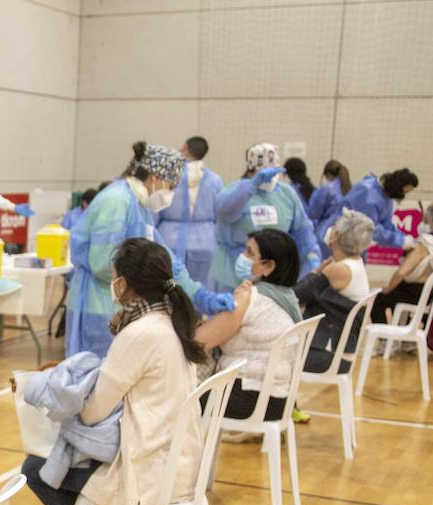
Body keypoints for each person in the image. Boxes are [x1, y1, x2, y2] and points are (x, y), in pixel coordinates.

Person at [21, 238, 207, 505]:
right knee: (63, 462)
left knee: (37, 468)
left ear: (123, 284)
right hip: (176, 457)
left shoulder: (140, 334)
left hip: (151, 469)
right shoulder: (169, 321)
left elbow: (92, 412)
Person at [67, 141, 233, 357]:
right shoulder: (116, 201)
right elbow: (102, 263)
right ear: (156, 178)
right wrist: (152, 281)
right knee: (99, 377)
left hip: (121, 303)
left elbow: (164, 258)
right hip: (99, 306)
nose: (170, 194)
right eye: (171, 187)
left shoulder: (139, 206)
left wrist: (198, 294)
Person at [197, 230, 303, 422]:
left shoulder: (250, 297)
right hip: (279, 400)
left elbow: (201, 341)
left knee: (180, 399)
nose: (242, 257)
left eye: (249, 253)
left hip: (249, 397)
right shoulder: (288, 297)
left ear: (268, 266)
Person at [209, 143, 320, 292]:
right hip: (233, 272)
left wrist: (312, 257)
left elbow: (302, 230)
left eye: (274, 162)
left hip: (273, 275)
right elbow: (225, 212)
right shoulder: (235, 190)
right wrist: (252, 186)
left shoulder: (287, 194)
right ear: (252, 164)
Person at [297, 209, 374, 374]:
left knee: (270, 354)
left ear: (336, 236)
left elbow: (297, 294)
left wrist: (315, 271)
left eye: (334, 226)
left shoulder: (338, 269)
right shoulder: (355, 263)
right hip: (339, 351)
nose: (330, 228)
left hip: (331, 355)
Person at [372, 203, 433, 326]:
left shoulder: (426, 243)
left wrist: (388, 288)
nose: (423, 223)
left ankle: (385, 338)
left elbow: (402, 272)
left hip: (416, 291)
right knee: (397, 293)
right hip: (431, 292)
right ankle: (402, 338)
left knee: (378, 299)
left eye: (426, 220)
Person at [154, 135, 223, 286]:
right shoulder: (215, 180)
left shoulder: (168, 176)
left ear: (184, 148)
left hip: (168, 240)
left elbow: (155, 211)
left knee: (169, 287)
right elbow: (221, 213)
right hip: (206, 242)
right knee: (202, 288)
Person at [342, 168, 419, 249]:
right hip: (344, 237)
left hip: (356, 240)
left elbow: (386, 224)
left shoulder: (386, 198)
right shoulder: (369, 196)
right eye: (404, 192)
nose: (403, 196)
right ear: (399, 186)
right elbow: (371, 229)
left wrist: (403, 237)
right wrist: (400, 241)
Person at [308, 160, 352, 257]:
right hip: (349, 234)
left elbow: (313, 213)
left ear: (327, 174)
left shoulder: (326, 189)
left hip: (327, 234)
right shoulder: (351, 189)